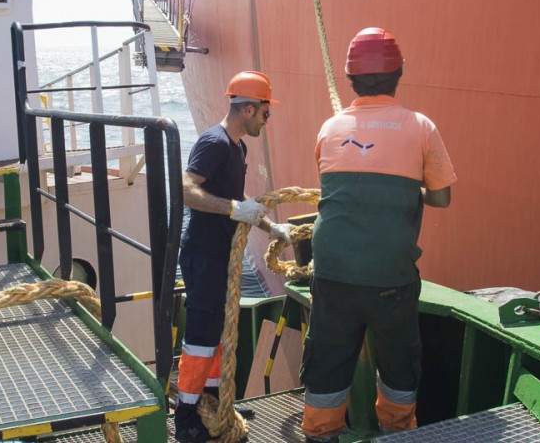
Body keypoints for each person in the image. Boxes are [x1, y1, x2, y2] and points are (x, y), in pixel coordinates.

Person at [299, 28, 456, 443]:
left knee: (328, 362)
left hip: (332, 273)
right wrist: (406, 187)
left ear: (349, 80)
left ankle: (319, 435)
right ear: (398, 73)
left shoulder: (331, 128)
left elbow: (339, 187)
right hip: (391, 278)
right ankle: (397, 432)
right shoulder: (421, 127)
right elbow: (441, 199)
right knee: (399, 364)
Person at [174, 71, 293, 443]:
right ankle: (185, 416)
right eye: (266, 114)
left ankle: (215, 402)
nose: (267, 121)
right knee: (199, 339)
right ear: (249, 110)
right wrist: (233, 209)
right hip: (204, 257)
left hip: (222, 257)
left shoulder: (238, 148)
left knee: (217, 335)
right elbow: (186, 190)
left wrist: (271, 228)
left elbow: (238, 205)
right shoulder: (215, 143)